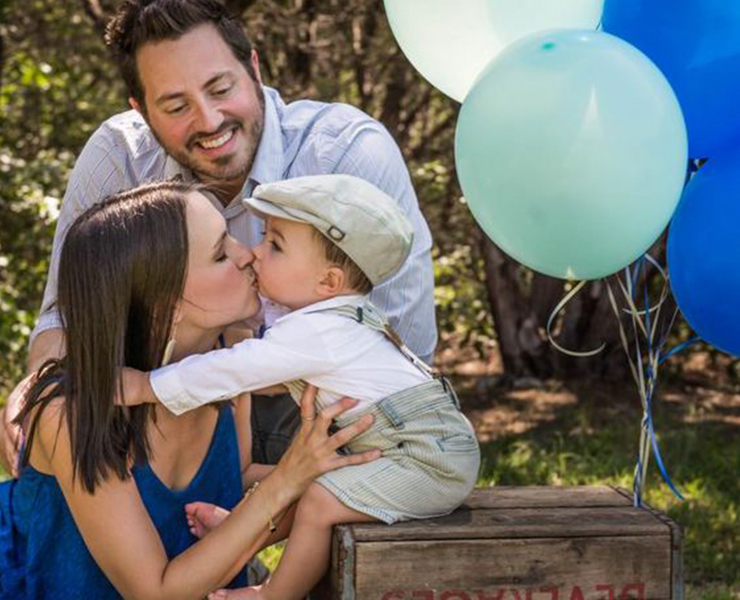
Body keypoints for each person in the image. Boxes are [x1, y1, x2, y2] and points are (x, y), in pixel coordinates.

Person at [0, 0, 437, 475]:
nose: (209, 121)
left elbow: (398, 349)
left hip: (331, 411)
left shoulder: (346, 153)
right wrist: (44, 387)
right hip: (163, 408)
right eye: (175, 106)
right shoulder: (117, 156)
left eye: (220, 88)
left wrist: (229, 371)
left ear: (252, 67)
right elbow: (66, 313)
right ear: (141, 111)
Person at [0, 180, 379, 599]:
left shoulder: (226, 366)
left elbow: (233, 477)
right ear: (166, 305)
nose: (247, 254)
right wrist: (288, 478)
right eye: (221, 253)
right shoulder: (71, 414)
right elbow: (156, 592)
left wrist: (347, 472)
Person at [122, 174, 481, 600]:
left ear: (328, 282)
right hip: (422, 446)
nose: (255, 252)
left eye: (275, 245)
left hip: (428, 459)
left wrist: (148, 385)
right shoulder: (336, 319)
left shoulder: (318, 331)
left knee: (322, 499)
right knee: (318, 482)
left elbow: (234, 368)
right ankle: (250, 536)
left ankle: (274, 595)